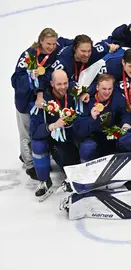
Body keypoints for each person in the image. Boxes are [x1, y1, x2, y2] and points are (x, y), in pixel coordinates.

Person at [11, 28, 71, 180]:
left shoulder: (58, 45)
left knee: (40, 129)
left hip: (42, 99)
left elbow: (74, 44)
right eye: (48, 44)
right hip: (25, 101)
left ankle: (36, 156)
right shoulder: (28, 55)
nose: (51, 47)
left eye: (53, 43)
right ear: (41, 41)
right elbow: (15, 80)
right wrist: (30, 76)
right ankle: (30, 164)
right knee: (27, 134)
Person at [30, 70, 80, 201]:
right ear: (52, 83)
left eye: (65, 83)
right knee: (37, 144)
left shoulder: (74, 94)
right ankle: (44, 180)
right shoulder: (42, 100)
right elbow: (34, 131)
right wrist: (52, 126)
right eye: (59, 84)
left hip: (69, 138)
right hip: (49, 137)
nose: (63, 87)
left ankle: (76, 173)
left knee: (69, 159)